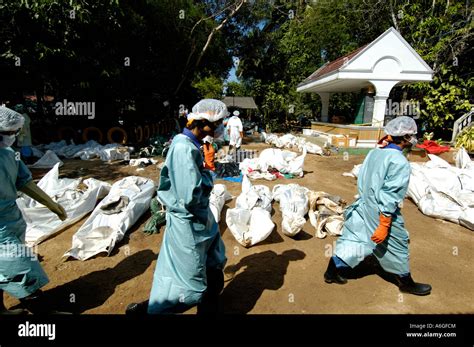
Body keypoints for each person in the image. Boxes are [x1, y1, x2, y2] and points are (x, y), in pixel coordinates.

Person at [126, 99, 228, 315]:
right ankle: (147, 311)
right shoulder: (182, 148)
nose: (220, 127)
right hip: (188, 225)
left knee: (214, 272)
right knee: (189, 287)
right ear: (202, 122)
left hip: (201, 220)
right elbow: (189, 196)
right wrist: (209, 172)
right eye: (217, 123)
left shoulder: (193, 145)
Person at [324, 116, 431, 296]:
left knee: (355, 238)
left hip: (364, 204)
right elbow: (390, 195)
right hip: (381, 211)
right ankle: (406, 282)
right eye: (412, 136)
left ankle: (331, 271)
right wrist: (384, 223)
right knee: (397, 244)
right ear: (405, 138)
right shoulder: (399, 162)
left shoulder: (375, 153)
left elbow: (365, 178)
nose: (413, 139)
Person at [0, 106, 68, 314]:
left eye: (15, 132)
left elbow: (25, 182)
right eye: (9, 133)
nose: (13, 137)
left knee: (4, 268)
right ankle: (44, 313)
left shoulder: (10, 154)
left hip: (11, 218)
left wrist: (51, 204)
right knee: (20, 266)